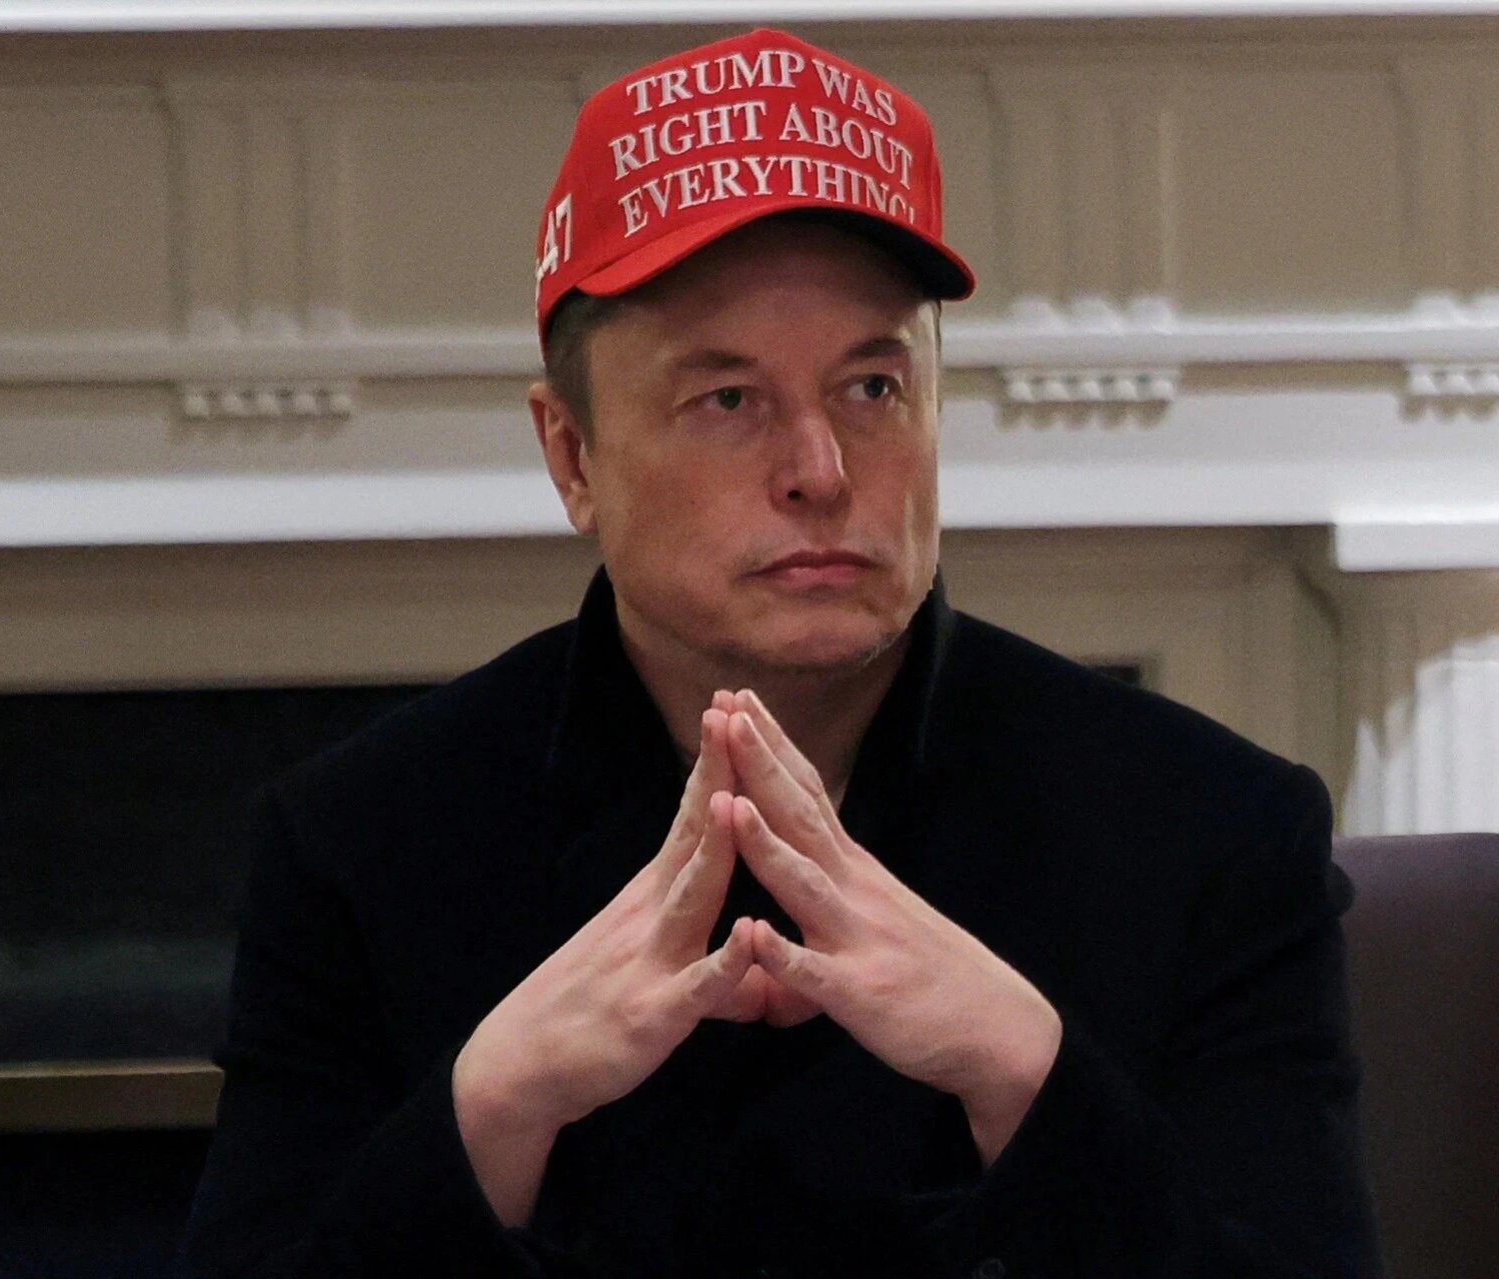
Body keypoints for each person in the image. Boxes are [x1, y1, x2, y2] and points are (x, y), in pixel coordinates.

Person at [178, 26, 1378, 1279]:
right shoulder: (362, 847)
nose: (820, 471)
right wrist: (495, 1105)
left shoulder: (1209, 833)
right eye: (727, 400)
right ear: (572, 457)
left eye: (872, 388)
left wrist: (1023, 1071)